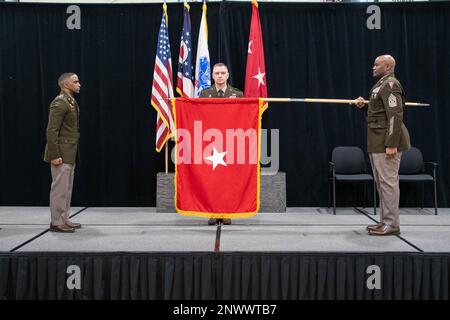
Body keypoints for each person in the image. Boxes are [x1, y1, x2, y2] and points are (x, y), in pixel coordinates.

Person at [354, 54, 410, 236]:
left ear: (387, 67)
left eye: (376, 64)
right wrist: (364, 106)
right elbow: (379, 112)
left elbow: (395, 115)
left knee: (388, 183)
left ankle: (392, 224)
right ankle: (384, 221)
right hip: (377, 141)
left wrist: (392, 144)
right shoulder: (381, 84)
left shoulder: (391, 84)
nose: (373, 67)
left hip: (386, 142)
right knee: (382, 184)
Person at [200, 63, 243, 226]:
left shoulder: (237, 94)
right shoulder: (205, 94)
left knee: (228, 179)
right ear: (212, 75)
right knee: (211, 179)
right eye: (216, 73)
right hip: (210, 143)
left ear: (228, 75)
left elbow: (242, 118)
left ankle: (226, 212)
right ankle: (212, 212)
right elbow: (200, 117)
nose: (219, 76)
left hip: (230, 142)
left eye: (222, 73)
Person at [43, 73, 82, 233]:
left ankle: (64, 218)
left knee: (66, 188)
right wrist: (54, 154)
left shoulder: (70, 101)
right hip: (61, 151)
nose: (79, 84)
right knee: (59, 188)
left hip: (69, 150)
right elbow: (52, 130)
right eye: (75, 81)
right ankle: (56, 222)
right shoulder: (60, 102)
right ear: (65, 84)